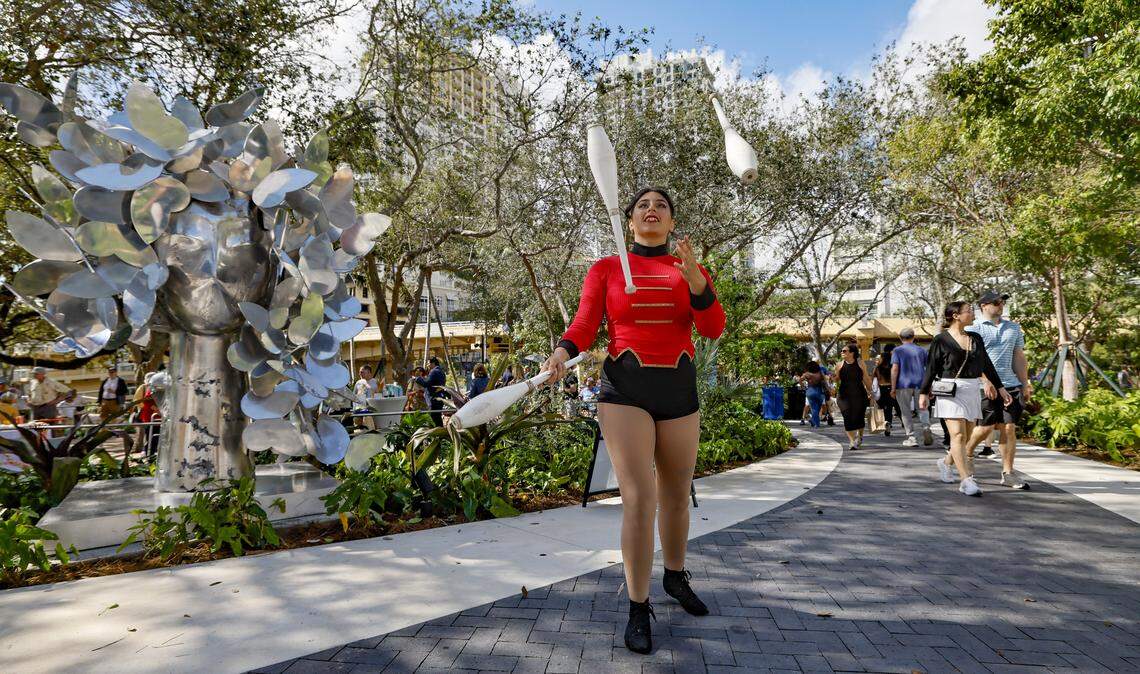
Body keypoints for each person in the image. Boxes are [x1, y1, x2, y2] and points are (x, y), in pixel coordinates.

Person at [541, 186, 725, 655]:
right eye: (643, 205)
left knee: (677, 495)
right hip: (626, 390)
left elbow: (712, 329)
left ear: (671, 221)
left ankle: (676, 577)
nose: (651, 210)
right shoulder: (606, 268)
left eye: (661, 205)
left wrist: (699, 284)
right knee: (640, 499)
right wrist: (562, 352)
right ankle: (638, 606)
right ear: (629, 221)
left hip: (679, 391)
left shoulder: (690, 270)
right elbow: (585, 323)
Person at [919, 301, 1011, 497]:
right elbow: (931, 368)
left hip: (971, 388)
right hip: (949, 389)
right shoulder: (941, 340)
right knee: (958, 436)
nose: (973, 314)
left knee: (967, 437)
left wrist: (1000, 387)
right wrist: (923, 393)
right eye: (969, 311)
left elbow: (986, 365)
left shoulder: (975, 338)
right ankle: (965, 480)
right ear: (956, 315)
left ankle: (945, 463)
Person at [964, 291, 1033, 489]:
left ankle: (1008, 473)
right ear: (984, 306)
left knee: (1009, 428)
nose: (1000, 305)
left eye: (1002, 301)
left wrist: (1024, 383)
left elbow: (1018, 357)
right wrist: (985, 381)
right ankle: (967, 453)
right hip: (983, 385)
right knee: (985, 428)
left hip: (1011, 385)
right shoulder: (972, 329)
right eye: (996, 302)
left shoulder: (1013, 328)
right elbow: (972, 360)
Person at [890, 328, 933, 447]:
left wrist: (893, 388)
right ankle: (926, 427)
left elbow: (895, 369)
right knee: (923, 408)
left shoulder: (897, 351)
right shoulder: (922, 350)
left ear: (900, 338)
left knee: (905, 411)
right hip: (921, 383)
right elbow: (928, 369)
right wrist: (929, 386)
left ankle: (912, 437)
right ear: (914, 337)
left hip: (902, 384)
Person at [832, 344, 874, 450]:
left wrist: (872, 392)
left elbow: (866, 378)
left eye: (844, 351)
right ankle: (852, 441)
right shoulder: (839, 365)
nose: (842, 352)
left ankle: (859, 436)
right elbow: (836, 379)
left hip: (859, 394)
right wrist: (833, 378)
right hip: (843, 395)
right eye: (841, 351)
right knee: (847, 417)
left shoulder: (860, 363)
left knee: (859, 417)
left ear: (852, 353)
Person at [873, 346, 899, 436]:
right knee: (889, 409)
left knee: (880, 407)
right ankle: (888, 422)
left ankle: (883, 423)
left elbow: (873, 378)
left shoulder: (878, 368)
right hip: (891, 389)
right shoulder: (893, 367)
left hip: (881, 389)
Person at [415, 357, 447, 427]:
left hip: (433, 399)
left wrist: (417, 378)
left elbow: (426, 383)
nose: (427, 365)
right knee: (437, 418)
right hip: (439, 397)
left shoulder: (434, 371)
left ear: (433, 363)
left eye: (428, 363)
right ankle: (440, 434)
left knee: (434, 418)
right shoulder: (441, 371)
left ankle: (437, 435)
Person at [800, 362, 827, 428]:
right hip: (820, 392)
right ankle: (816, 423)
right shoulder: (820, 372)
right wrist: (828, 389)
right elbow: (825, 381)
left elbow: (800, 379)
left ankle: (814, 421)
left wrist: (802, 386)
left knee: (814, 408)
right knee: (817, 408)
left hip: (810, 391)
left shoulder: (807, 374)